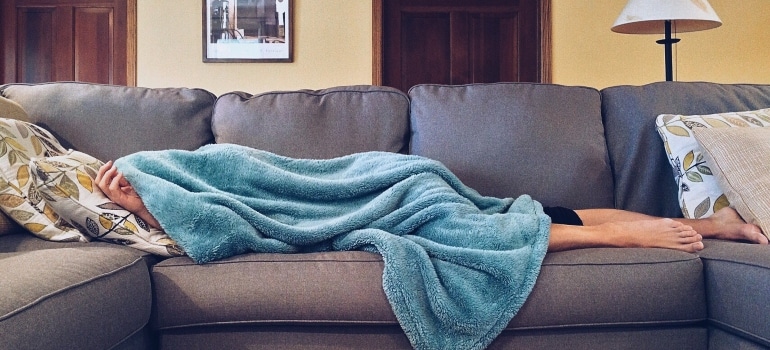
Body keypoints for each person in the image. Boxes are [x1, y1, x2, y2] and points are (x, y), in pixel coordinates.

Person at [94, 160, 769, 254]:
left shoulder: (178, 171)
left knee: (481, 228)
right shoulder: (165, 185)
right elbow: (227, 221)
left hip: (402, 185)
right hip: (409, 182)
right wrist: (145, 203)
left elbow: (235, 211)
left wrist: (145, 198)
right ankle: (714, 224)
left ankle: (631, 238)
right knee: (534, 211)